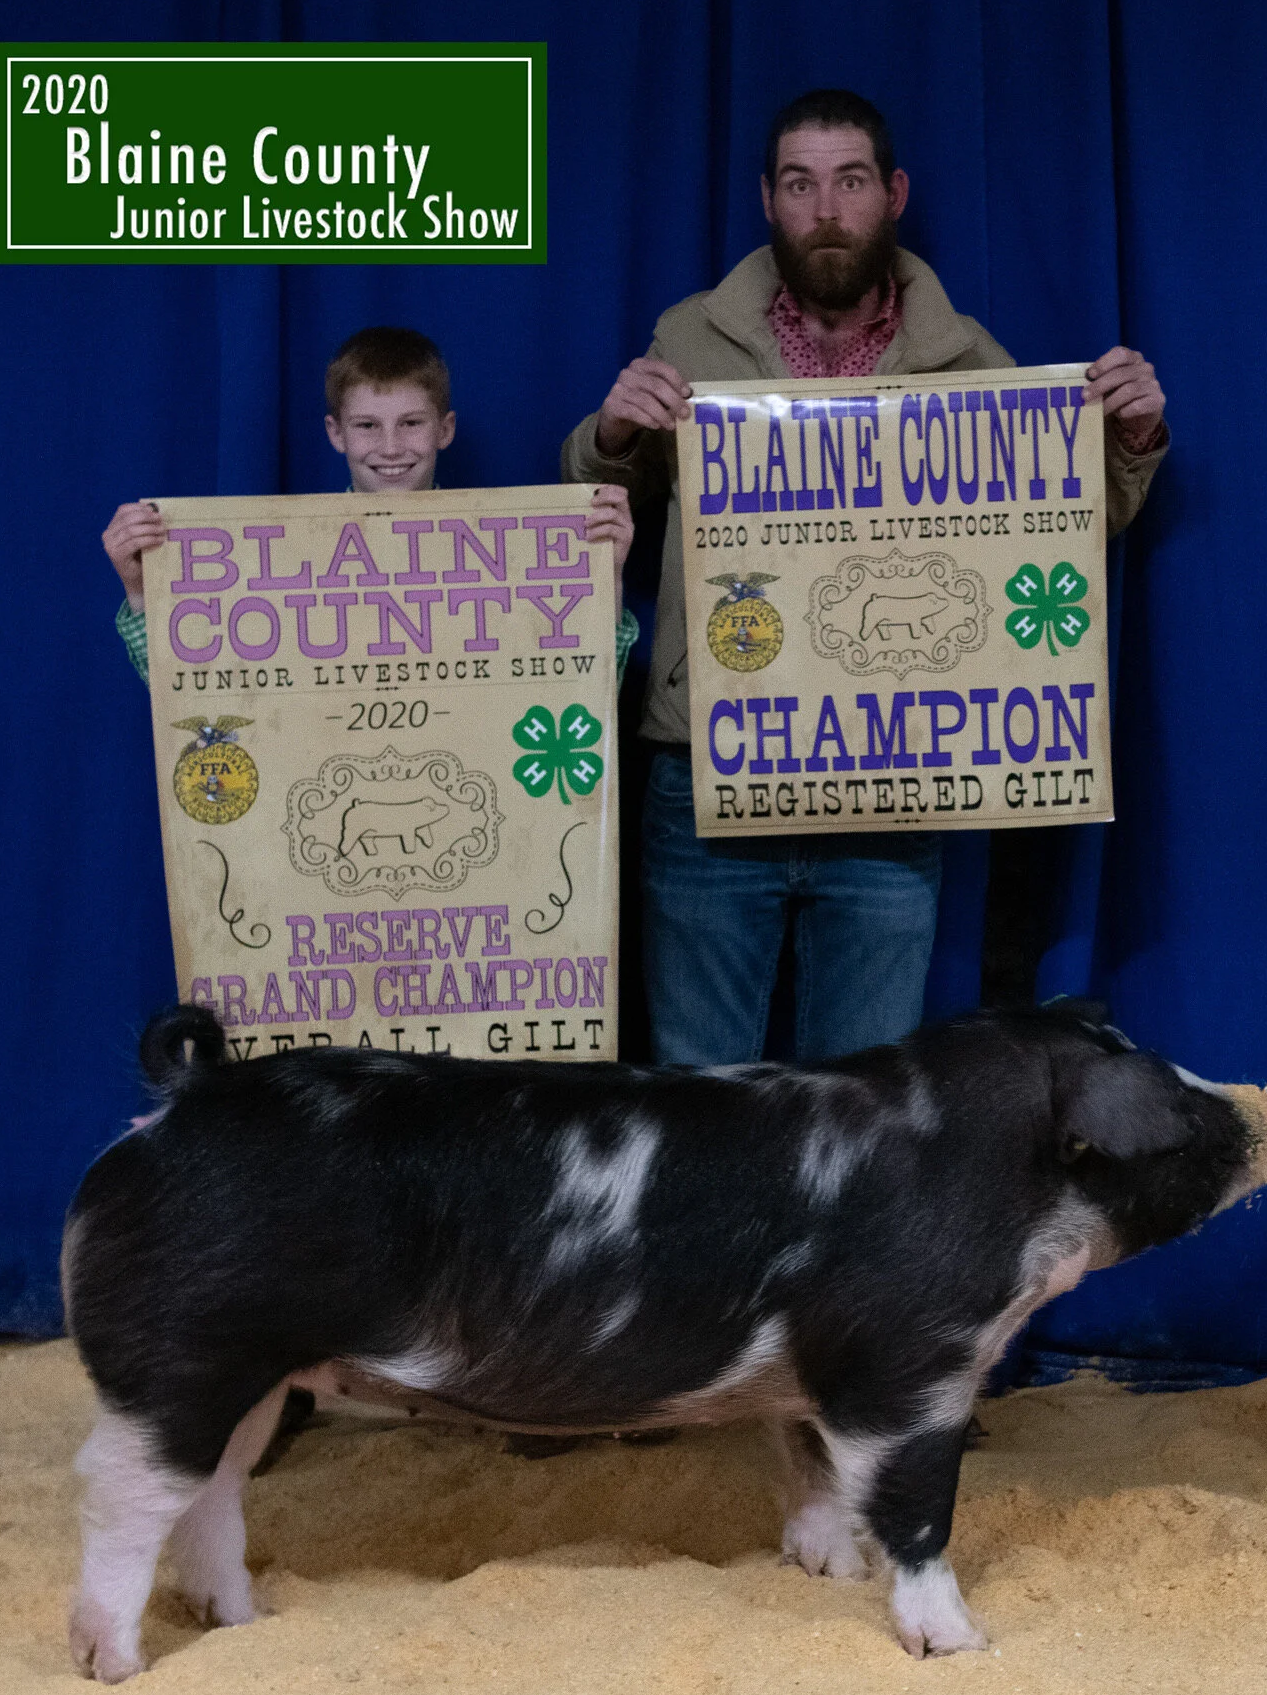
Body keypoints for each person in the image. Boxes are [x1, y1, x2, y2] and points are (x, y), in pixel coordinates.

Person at [562, 89, 1170, 1067]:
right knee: (698, 1109)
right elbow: (594, 512)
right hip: (708, 765)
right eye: (800, 184)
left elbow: (1061, 524)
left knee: (865, 1110)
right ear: (768, 199)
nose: (826, 209)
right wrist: (609, 433)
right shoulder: (687, 336)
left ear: (891, 194)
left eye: (848, 181)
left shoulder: (970, 360)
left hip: (889, 783)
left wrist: (1130, 437)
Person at [104, 326, 637, 681]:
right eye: (366, 426)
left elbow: (585, 689)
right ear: (336, 433)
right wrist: (140, 592)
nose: (389, 448)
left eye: (411, 423)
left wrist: (604, 576)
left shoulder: (509, 556)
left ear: (444, 429)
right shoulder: (285, 560)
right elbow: (198, 692)